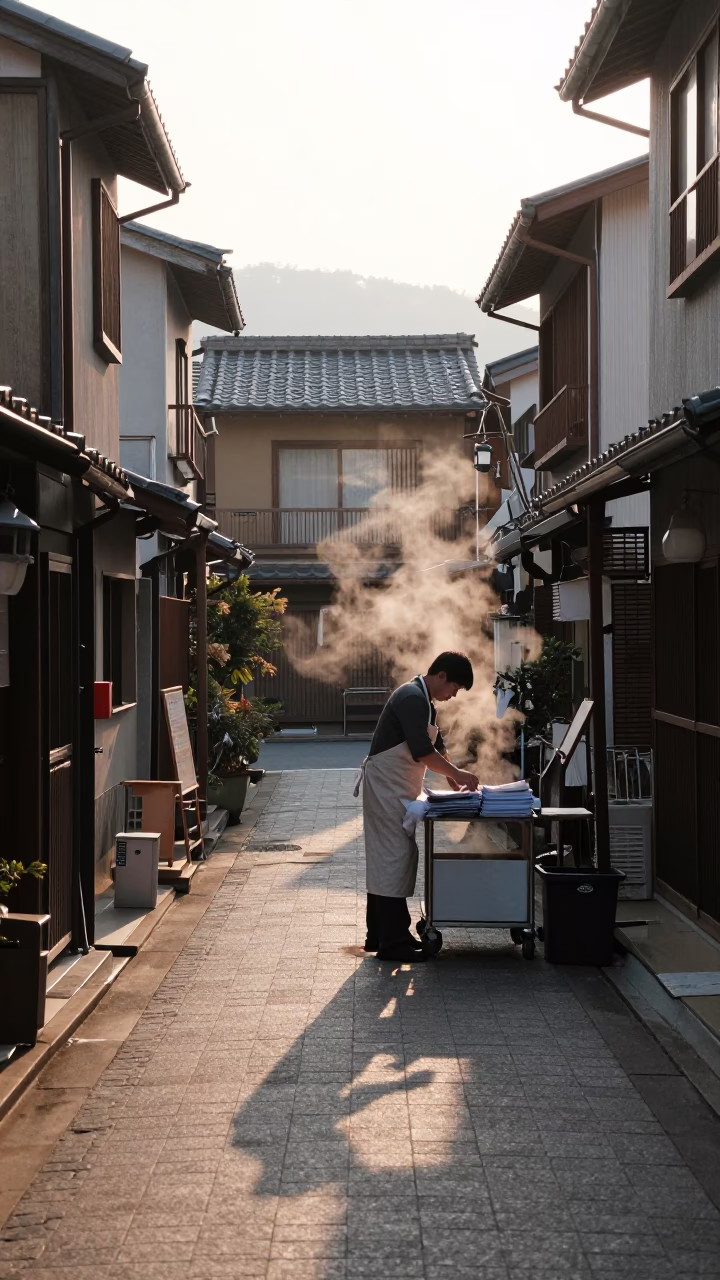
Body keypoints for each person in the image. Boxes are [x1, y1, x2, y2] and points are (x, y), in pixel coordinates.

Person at [355, 651, 479, 962]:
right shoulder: (412, 698)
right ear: (441, 676)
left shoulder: (424, 701)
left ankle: (384, 933)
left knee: (392, 858)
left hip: (396, 787)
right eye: (455, 688)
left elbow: (437, 747)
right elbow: (422, 751)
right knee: (393, 858)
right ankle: (391, 942)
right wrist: (458, 774)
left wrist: (451, 773)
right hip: (386, 786)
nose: (453, 695)